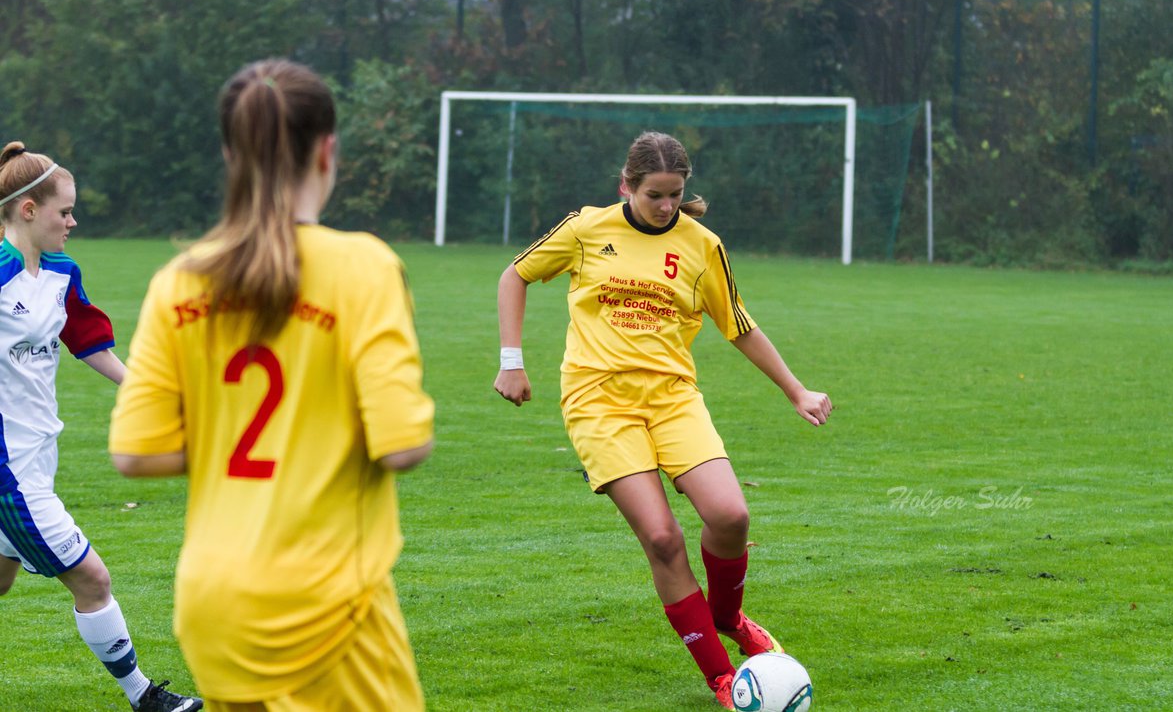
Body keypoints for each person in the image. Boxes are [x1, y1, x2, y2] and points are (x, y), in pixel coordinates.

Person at [108, 59, 436, 711]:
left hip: (212, 604)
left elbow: (135, 453)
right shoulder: (363, 267)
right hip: (327, 601)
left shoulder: (180, 281)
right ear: (327, 150)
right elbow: (402, 445)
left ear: (231, 153)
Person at [493, 131, 833, 708]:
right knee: (662, 538)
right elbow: (515, 276)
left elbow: (738, 324)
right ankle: (724, 679)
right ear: (626, 186)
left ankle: (728, 616)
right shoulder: (586, 229)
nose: (666, 206)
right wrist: (511, 362)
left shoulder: (703, 246)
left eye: (676, 194)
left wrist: (794, 389)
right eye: (654, 194)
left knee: (730, 515)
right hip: (598, 402)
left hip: (674, 398)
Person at [0, 141, 203, 711]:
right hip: (9, 474)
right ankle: (144, 698)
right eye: (64, 211)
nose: (73, 220)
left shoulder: (63, 273)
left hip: (37, 456)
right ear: (28, 210)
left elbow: (88, 341)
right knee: (93, 580)